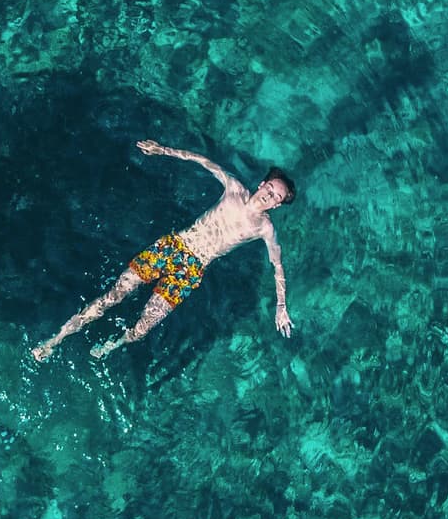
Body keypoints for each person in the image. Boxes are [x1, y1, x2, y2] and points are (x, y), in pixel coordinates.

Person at [31, 140, 296, 362]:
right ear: (262, 184)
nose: (269, 195)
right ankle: (54, 341)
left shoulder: (265, 228)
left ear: (277, 205)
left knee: (143, 329)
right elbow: (203, 161)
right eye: (270, 188)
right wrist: (163, 150)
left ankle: (112, 345)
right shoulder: (234, 189)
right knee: (112, 296)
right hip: (172, 247)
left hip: (191, 271)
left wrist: (281, 306)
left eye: (276, 197)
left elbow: (277, 265)